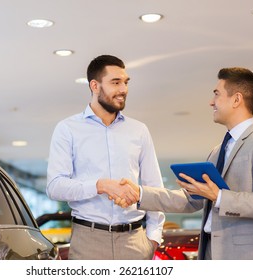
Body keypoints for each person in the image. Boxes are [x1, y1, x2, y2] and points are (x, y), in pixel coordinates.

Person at [119, 67, 253, 260]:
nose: (211, 102)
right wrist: (139, 194)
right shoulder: (217, 151)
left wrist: (219, 196)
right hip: (210, 254)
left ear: (236, 99)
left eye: (217, 94)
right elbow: (191, 200)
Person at [46, 54, 165, 260]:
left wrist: (153, 238)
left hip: (135, 241)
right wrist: (100, 185)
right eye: (115, 82)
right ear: (95, 85)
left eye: (125, 82)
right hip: (88, 242)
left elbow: (154, 186)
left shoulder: (139, 130)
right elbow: (55, 186)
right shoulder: (67, 129)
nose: (123, 90)